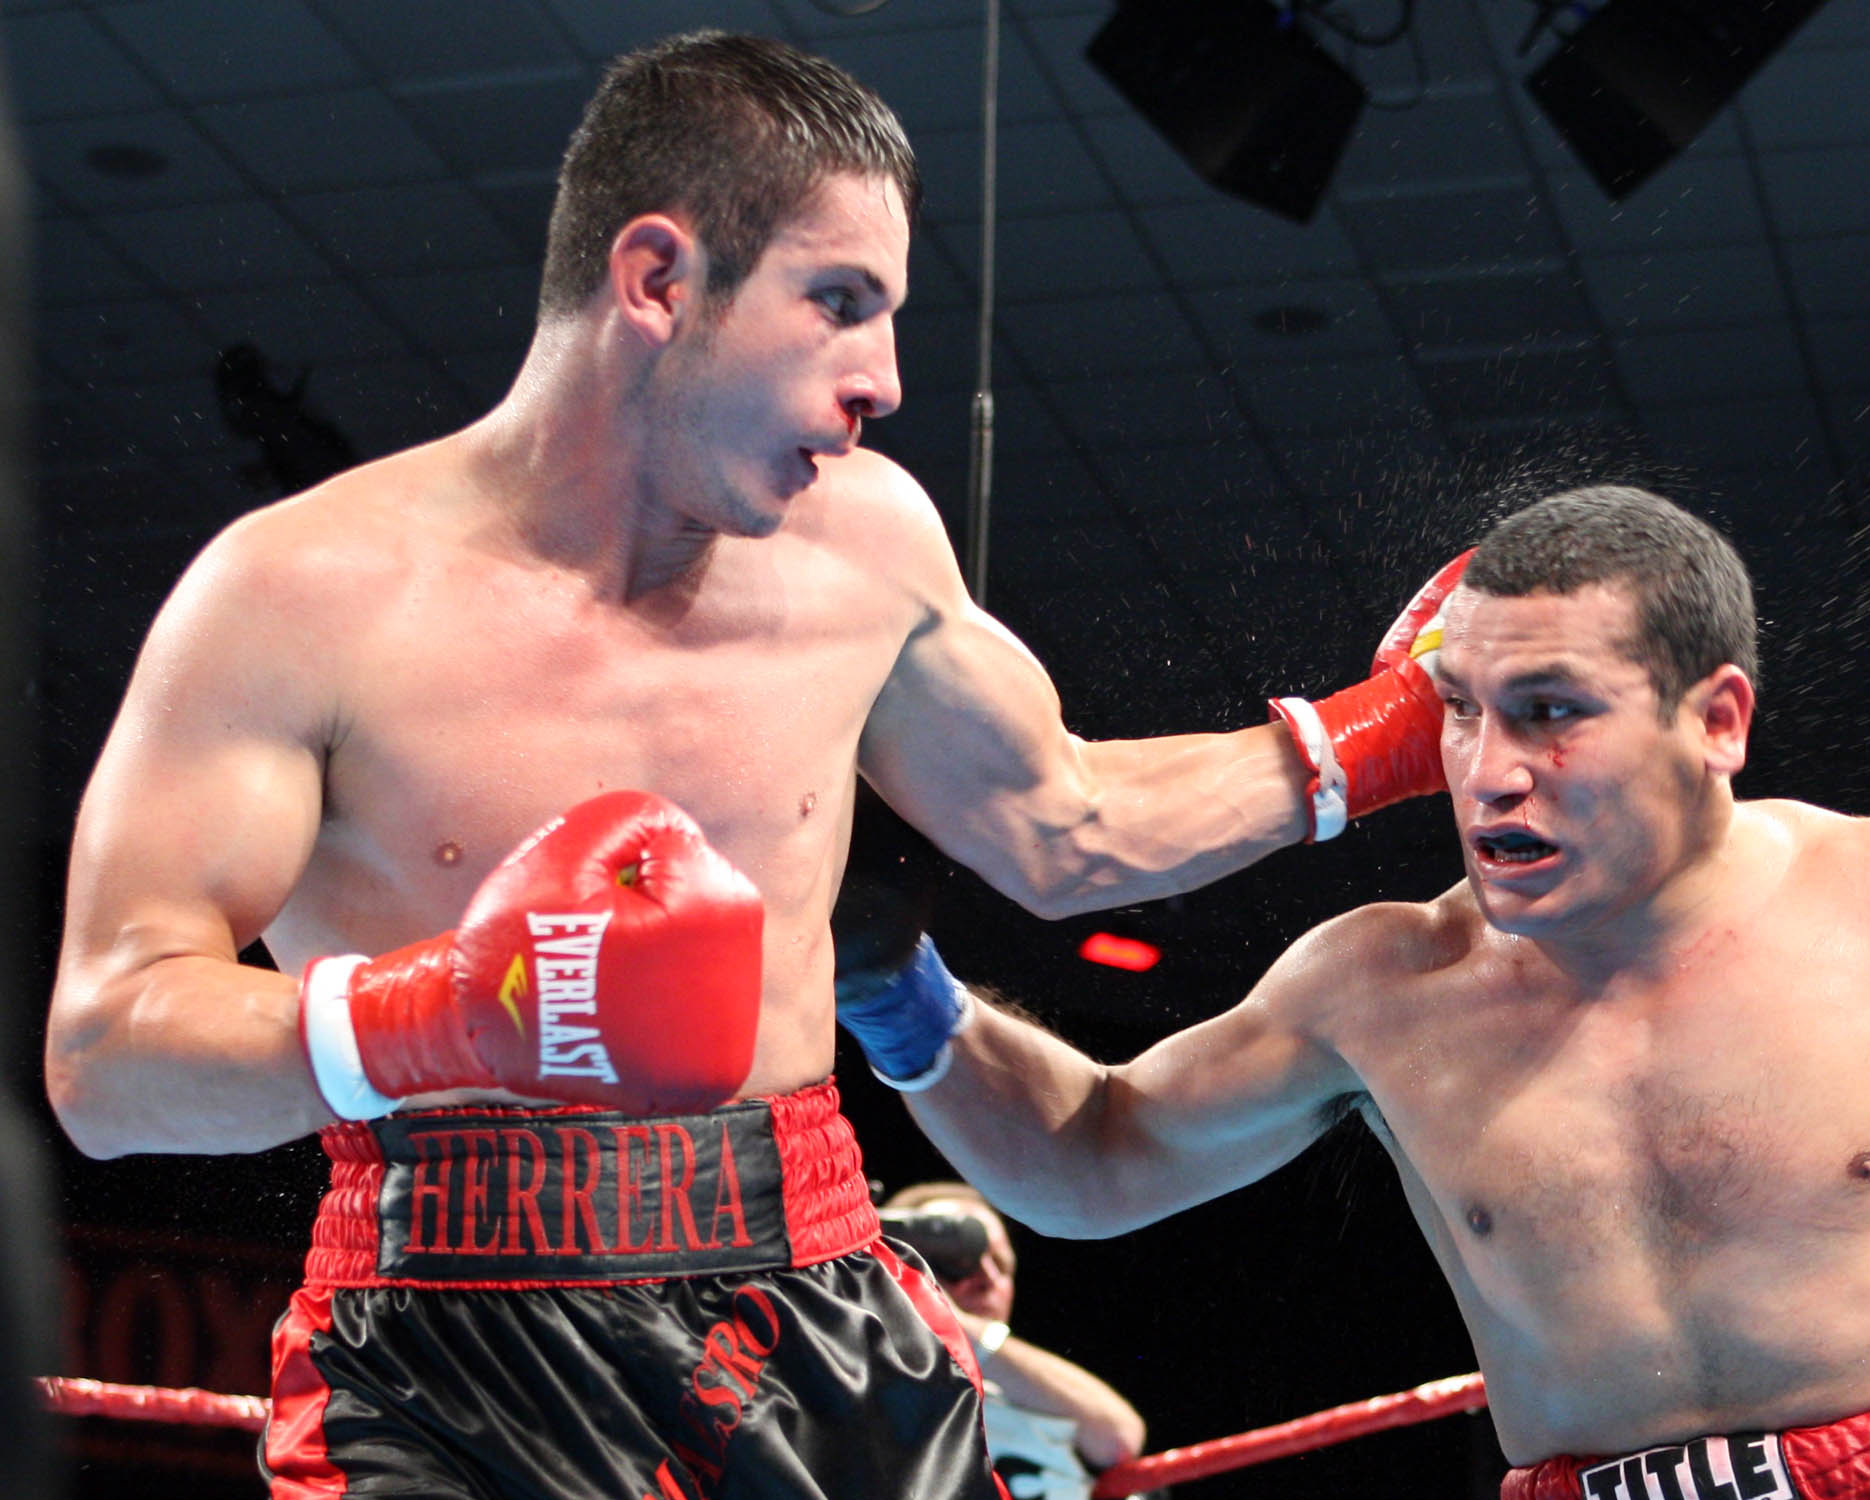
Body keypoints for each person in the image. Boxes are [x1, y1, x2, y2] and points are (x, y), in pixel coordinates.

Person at [41, 30, 1463, 1500]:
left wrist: (1391, 731)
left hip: (816, 1309)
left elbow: (1069, 827)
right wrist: (450, 1018)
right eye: (839, 305)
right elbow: (104, 1057)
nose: (885, 381)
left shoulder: (865, 542)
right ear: (658, 280)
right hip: (455, 1360)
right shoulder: (298, 597)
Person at [838, 485, 1870, 1500]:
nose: (1486, 769)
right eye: (1456, 709)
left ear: (1716, 719)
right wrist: (894, 986)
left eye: (1551, 711)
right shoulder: (1379, 982)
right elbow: (1091, 1159)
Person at [882, 1181, 1149, 1500]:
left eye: (1002, 1264)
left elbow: (1117, 1439)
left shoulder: (1037, 1390)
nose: (987, 1278)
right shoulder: (854, 1380)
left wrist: (959, 1330)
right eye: (958, 1259)